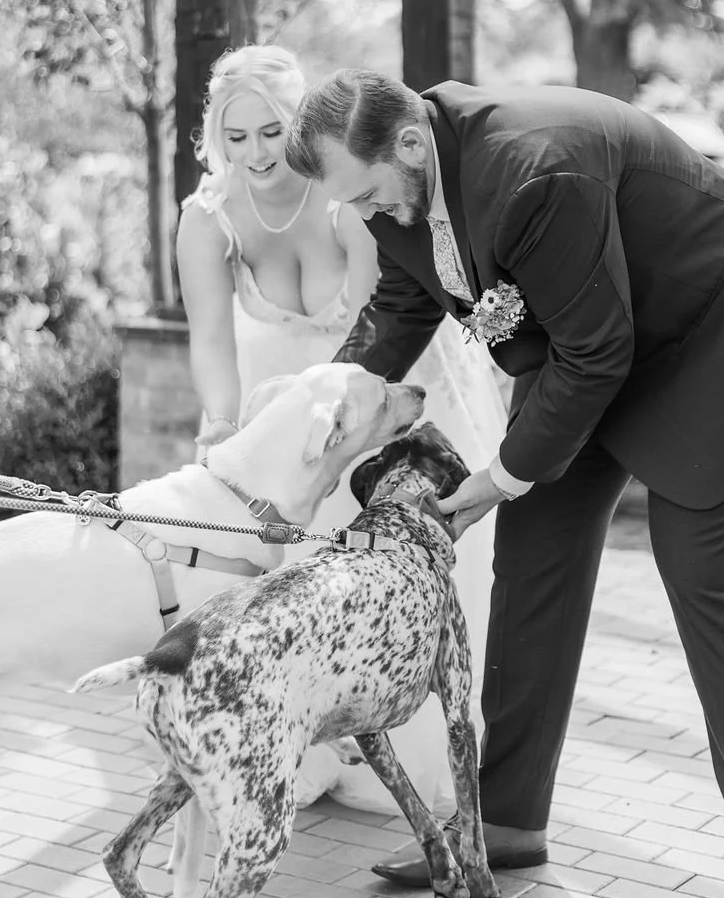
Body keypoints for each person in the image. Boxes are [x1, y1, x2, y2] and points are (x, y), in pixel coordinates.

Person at [284, 68, 724, 898]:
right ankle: (502, 820)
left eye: (374, 193)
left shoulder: (531, 169)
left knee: (707, 575)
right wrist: (331, 399)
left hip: (709, 328)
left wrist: (500, 474)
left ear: (413, 145)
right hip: (588, 340)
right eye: (357, 206)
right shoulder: (399, 191)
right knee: (533, 560)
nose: (374, 216)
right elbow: (401, 302)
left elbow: (598, 351)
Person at [176, 45, 507, 813]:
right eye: (236, 136)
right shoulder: (207, 219)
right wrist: (223, 428)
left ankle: (420, 749)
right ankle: (304, 744)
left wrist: (342, 430)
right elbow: (209, 345)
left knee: (386, 578)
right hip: (279, 422)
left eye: (271, 132)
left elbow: (381, 328)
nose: (254, 153)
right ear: (214, 137)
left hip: (372, 399)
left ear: (300, 131)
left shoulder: (343, 198)